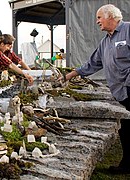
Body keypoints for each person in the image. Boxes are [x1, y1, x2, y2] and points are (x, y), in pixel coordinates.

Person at [61, 4, 130, 174]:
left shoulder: (128, 30)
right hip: (121, 93)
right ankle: (127, 164)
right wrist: (69, 75)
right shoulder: (105, 41)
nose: (97, 21)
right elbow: (93, 63)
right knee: (126, 129)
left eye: (99, 17)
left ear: (111, 17)